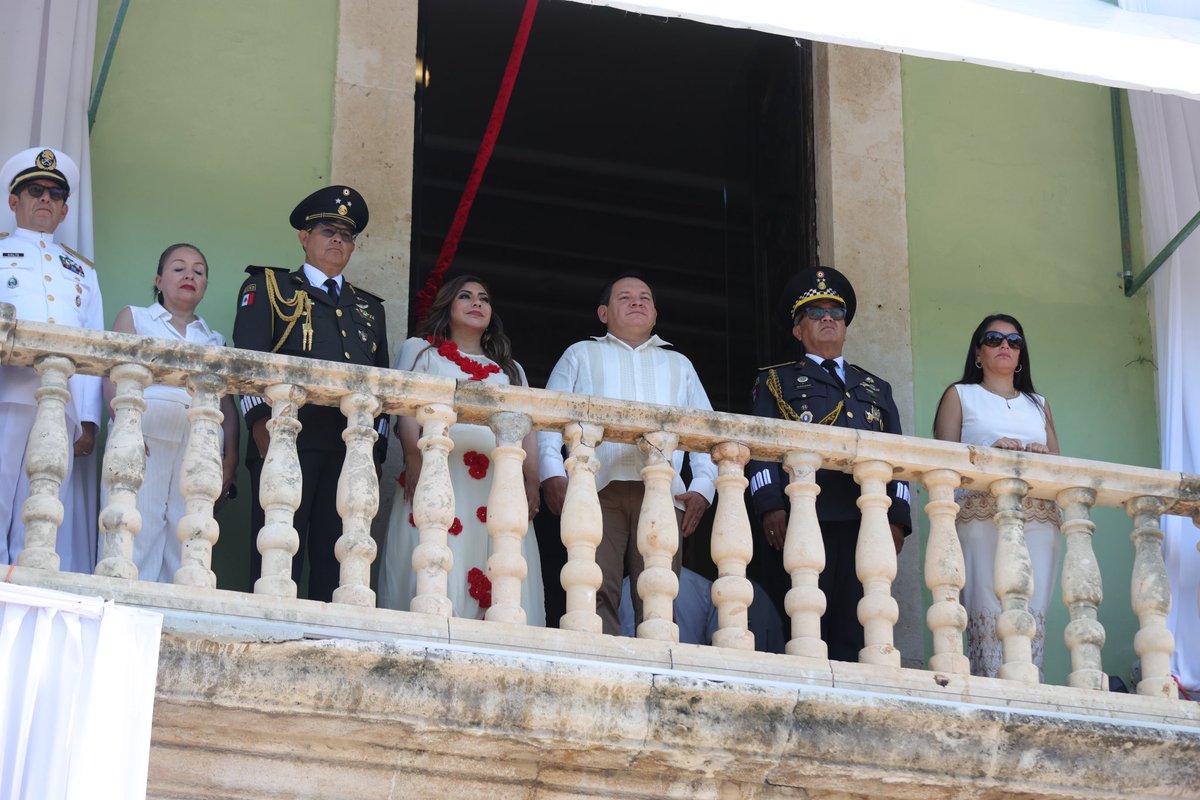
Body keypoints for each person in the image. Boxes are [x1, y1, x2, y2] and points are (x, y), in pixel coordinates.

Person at [233, 185, 389, 602]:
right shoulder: (269, 287)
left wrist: (376, 453)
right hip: (286, 439)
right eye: (327, 230)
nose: (338, 239)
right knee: (276, 555)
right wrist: (260, 425)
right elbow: (248, 366)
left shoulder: (370, 309)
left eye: (346, 234)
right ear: (304, 237)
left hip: (348, 450)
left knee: (337, 561)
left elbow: (382, 388)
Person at [747, 266, 911, 663]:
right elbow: (760, 449)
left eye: (835, 314)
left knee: (859, 626)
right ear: (797, 330)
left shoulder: (875, 388)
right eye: (815, 313)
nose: (827, 319)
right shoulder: (776, 382)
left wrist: (898, 517)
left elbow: (899, 460)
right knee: (805, 623)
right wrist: (770, 504)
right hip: (804, 518)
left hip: (864, 521)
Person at [538, 272, 717, 635]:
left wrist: (703, 486)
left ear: (654, 314)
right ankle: (600, 663)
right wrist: (551, 472)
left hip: (663, 492)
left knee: (659, 588)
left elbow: (705, 430)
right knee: (595, 582)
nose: (637, 302)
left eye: (644, 298)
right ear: (603, 313)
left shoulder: (679, 364)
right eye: (625, 297)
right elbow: (548, 419)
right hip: (597, 488)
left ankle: (656, 662)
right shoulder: (581, 354)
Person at [378, 275, 545, 623]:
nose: (476, 304)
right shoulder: (420, 351)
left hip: (495, 483)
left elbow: (529, 430)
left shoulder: (510, 371)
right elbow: (406, 409)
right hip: (439, 471)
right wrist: (412, 455)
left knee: (497, 555)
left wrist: (531, 480)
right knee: (437, 552)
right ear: (448, 307)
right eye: (465, 297)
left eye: (484, 299)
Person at [933, 313, 1061, 679]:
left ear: (1021, 355)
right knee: (986, 601)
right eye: (993, 339)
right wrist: (988, 451)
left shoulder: (1039, 403)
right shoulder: (960, 395)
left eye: (1014, 341)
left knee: (1031, 604)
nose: (1005, 346)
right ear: (978, 353)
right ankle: (989, 683)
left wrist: (1039, 457)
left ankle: (1026, 683)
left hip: (1037, 516)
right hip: (980, 513)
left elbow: (1058, 464)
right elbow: (942, 462)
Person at [102, 244, 239, 582]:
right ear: (159, 280)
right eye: (179, 268)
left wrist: (230, 457)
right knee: (136, 526)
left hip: (198, 440)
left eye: (198, 270)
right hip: (144, 431)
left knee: (188, 533)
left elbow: (227, 405)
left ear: (205, 285)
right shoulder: (135, 317)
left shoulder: (214, 339)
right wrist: (125, 425)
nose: (189, 275)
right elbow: (110, 376)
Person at [0, 146, 103, 572]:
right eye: (35, 190)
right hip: (7, 395)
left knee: (40, 513)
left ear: (63, 210)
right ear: (14, 201)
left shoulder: (81, 270)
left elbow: (93, 343)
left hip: (59, 406)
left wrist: (89, 418)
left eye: (55, 195)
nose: (45, 199)